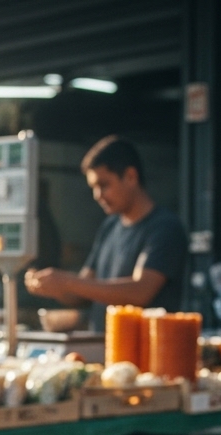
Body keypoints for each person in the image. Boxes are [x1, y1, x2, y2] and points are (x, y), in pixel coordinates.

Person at [24, 136, 187, 331]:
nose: (97, 196)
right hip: (103, 350)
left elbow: (140, 291)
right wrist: (50, 285)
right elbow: (81, 293)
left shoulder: (164, 227)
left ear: (130, 177)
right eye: (93, 188)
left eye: (104, 185)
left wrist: (67, 281)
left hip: (147, 351)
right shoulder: (109, 226)